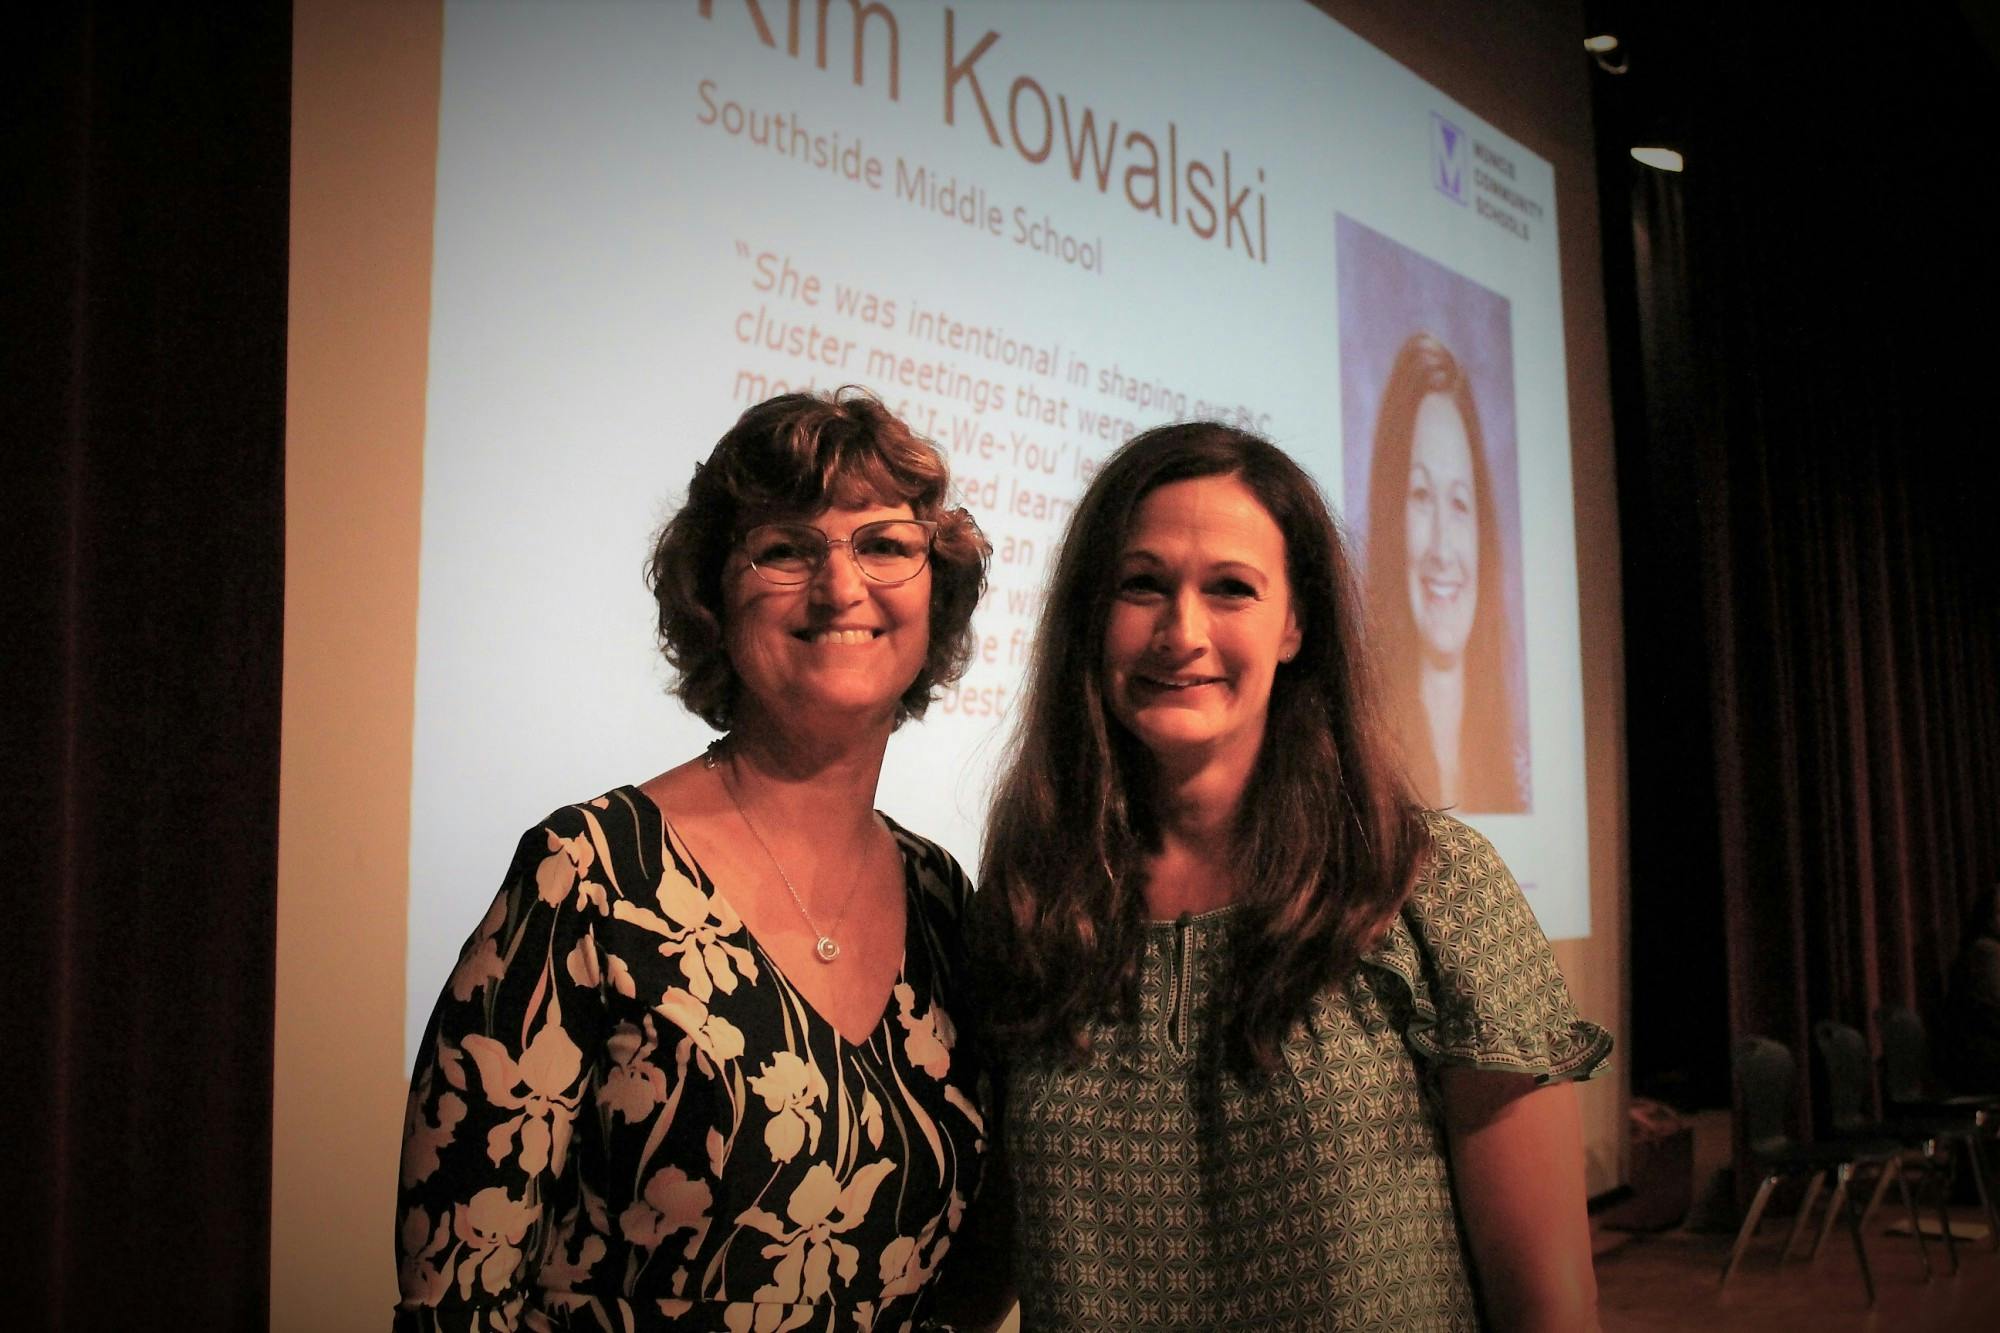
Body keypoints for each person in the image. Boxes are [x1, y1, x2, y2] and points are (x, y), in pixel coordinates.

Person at [972, 422, 1609, 1330]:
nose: (1180, 631)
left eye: (1230, 588)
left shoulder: (1431, 886)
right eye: (1142, 585)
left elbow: (1549, 1309)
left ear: (1294, 624)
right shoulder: (1036, 901)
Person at [395, 389, 993, 1330]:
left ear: (936, 593)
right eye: (788, 548)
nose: (842, 587)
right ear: (712, 599)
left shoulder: (944, 901)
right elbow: (457, 1299)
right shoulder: (588, 874)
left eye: (883, 543)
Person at [1364, 332, 1526, 812]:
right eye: (1419, 497)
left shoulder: (1522, 778)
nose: (1442, 548)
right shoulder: (1354, 775)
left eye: (1459, 503)